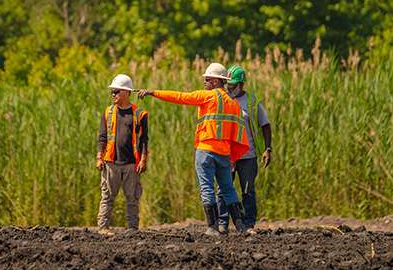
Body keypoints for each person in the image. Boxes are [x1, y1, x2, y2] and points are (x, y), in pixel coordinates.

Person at [137, 62, 248, 236]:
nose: (205, 81)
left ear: (218, 81)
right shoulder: (234, 104)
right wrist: (232, 158)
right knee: (228, 189)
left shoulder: (206, 97)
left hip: (205, 151)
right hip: (224, 154)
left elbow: (180, 97)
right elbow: (238, 134)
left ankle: (212, 227)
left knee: (207, 188)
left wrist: (153, 92)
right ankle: (241, 226)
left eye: (208, 79)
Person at [217, 64, 273, 233]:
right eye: (228, 84)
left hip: (248, 156)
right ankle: (223, 224)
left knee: (248, 190)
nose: (229, 88)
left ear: (242, 84)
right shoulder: (224, 100)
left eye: (233, 85)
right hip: (227, 154)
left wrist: (267, 148)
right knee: (222, 190)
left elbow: (265, 125)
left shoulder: (252, 102)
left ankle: (249, 224)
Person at [96, 74, 150, 232]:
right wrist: (99, 157)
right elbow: (102, 137)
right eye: (112, 92)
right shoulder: (108, 113)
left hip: (132, 164)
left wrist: (143, 160)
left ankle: (133, 229)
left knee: (132, 198)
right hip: (111, 163)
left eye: (116, 91)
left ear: (126, 92)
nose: (113, 94)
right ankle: (103, 227)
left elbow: (144, 139)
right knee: (107, 197)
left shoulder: (139, 114)